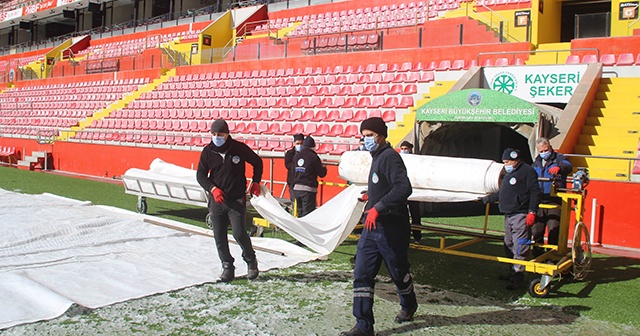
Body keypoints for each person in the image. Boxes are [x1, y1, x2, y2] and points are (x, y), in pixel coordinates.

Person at [341, 117, 418, 336]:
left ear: (381, 136)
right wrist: (370, 197)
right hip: (372, 228)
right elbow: (383, 185)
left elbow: (404, 188)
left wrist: (379, 207)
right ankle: (363, 325)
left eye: (369, 135)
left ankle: (409, 303)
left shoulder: (390, 158)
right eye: (363, 135)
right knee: (362, 273)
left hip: (391, 227)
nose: (366, 140)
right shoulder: (376, 157)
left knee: (398, 272)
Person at [196, 118, 263, 283]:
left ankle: (250, 260)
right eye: (214, 134)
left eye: (220, 134)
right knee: (219, 236)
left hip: (236, 199)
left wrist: (256, 181)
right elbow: (201, 175)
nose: (217, 137)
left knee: (239, 232)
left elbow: (257, 162)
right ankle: (227, 265)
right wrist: (213, 189)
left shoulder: (238, 149)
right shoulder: (208, 152)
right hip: (217, 200)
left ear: (227, 134)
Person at [480, 148, 541, 290]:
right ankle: (512, 271)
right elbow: (502, 193)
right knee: (508, 243)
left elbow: (534, 192)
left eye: (507, 162)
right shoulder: (510, 173)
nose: (505, 164)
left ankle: (517, 277)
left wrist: (532, 211)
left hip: (520, 214)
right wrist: (487, 199)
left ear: (515, 160)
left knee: (520, 246)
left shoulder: (527, 172)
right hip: (509, 214)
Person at [531, 137, 572, 257]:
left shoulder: (560, 158)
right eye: (541, 151)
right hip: (539, 200)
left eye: (545, 150)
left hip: (554, 200)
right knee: (537, 230)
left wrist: (559, 168)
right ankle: (537, 255)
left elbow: (568, 166)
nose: (544, 153)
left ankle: (552, 255)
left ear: (550, 147)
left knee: (554, 229)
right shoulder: (536, 162)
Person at [292, 135, 327, 217]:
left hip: (297, 189)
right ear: (313, 146)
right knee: (308, 214)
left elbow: (292, 172)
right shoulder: (314, 157)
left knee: (300, 213)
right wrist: (324, 168)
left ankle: (299, 229)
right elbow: (321, 173)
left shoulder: (296, 156)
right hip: (308, 189)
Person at [399, 140, 423, 244]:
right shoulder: (398, 159)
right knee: (402, 215)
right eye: (402, 149)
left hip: (414, 191)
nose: (404, 151)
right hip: (402, 191)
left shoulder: (416, 160)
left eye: (406, 149)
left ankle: (417, 237)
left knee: (415, 215)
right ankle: (404, 236)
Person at [284, 133, 305, 211]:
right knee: (294, 200)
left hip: (303, 181)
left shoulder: (307, 154)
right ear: (294, 143)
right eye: (298, 143)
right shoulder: (289, 154)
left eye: (301, 143)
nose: (300, 145)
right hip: (292, 181)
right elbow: (287, 165)